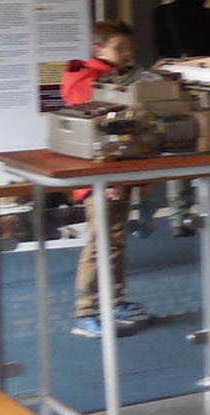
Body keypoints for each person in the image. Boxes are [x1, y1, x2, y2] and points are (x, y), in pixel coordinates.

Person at [61, 21, 154, 338]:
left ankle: (114, 300)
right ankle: (86, 310)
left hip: (116, 172)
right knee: (100, 245)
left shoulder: (112, 78)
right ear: (98, 49)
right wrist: (110, 176)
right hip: (102, 174)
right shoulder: (91, 82)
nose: (126, 54)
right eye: (119, 48)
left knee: (113, 242)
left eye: (129, 48)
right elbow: (100, 131)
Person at [150, 0, 210, 235]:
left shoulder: (161, 15)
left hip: (173, 88)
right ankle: (209, 212)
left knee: (178, 147)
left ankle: (179, 216)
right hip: (208, 88)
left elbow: (159, 48)